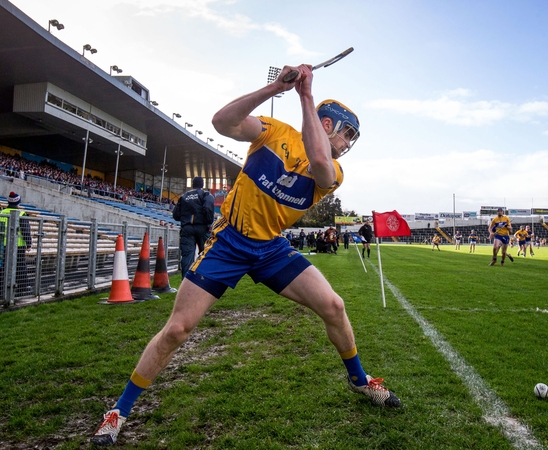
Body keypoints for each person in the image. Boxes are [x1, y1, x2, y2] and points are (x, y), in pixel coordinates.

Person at [90, 63, 399, 447]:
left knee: (333, 306)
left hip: (271, 248)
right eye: (346, 133)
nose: (348, 144)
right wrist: (275, 89)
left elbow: (318, 165)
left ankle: (359, 380)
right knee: (177, 330)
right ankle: (118, 410)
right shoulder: (274, 132)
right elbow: (222, 121)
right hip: (229, 243)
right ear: (327, 124)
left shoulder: (334, 169)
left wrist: (305, 95)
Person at [172, 176, 215, 278]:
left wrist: (186, 219)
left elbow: (176, 215)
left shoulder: (184, 196)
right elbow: (208, 209)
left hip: (187, 228)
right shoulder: (206, 194)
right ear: (202, 184)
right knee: (205, 254)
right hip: (202, 227)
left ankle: (185, 282)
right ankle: (204, 280)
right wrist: (208, 222)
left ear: (192, 184)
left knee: (187, 255)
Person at [0, 191, 32, 295]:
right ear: (18, 202)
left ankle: (0, 287)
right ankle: (22, 286)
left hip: (2, 244)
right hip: (18, 245)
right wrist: (29, 243)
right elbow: (26, 230)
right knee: (20, 266)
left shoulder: (1, 212)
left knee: (3, 266)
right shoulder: (21, 214)